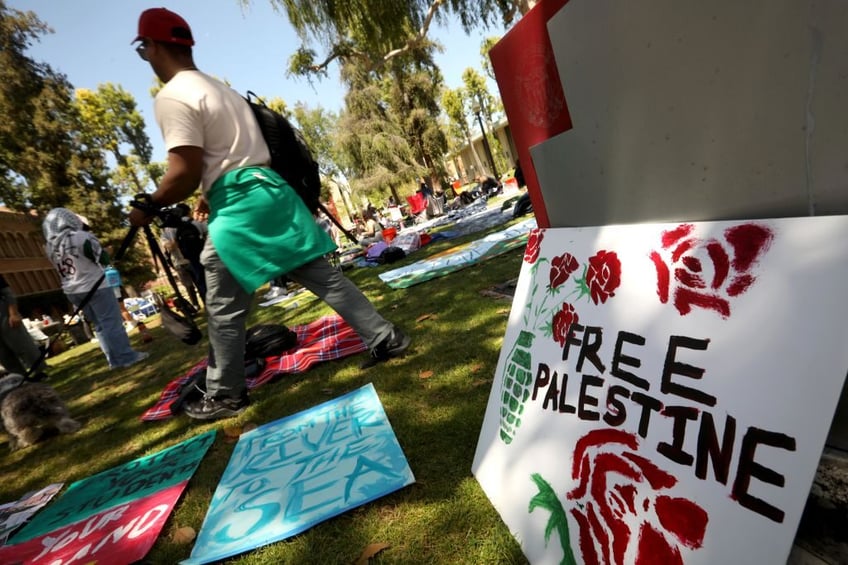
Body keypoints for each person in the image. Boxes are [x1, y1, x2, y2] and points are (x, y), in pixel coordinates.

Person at [128, 8, 410, 421]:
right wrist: (212, 188)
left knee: (223, 304)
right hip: (270, 192)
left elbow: (184, 171)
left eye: (142, 50)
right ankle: (386, 337)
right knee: (323, 277)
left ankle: (226, 393)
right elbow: (231, 157)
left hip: (240, 207)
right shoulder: (220, 89)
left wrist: (147, 206)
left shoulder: (172, 96)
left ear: (151, 46)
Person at [42, 208, 149, 370]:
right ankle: (126, 356)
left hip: (72, 290)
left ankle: (113, 360)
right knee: (112, 323)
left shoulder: (50, 247)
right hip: (95, 285)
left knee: (99, 326)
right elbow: (103, 259)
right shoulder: (81, 237)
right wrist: (105, 252)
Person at [0, 275, 48, 381]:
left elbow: (8, 294)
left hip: (4, 315)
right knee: (4, 355)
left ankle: (40, 372)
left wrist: (14, 313)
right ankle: (20, 378)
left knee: (23, 345)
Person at [161, 203, 206, 307]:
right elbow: (207, 234)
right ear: (188, 211)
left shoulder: (167, 230)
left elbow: (167, 246)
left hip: (179, 262)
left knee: (188, 287)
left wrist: (176, 242)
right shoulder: (195, 223)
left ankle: (195, 306)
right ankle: (208, 302)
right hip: (198, 258)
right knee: (202, 282)